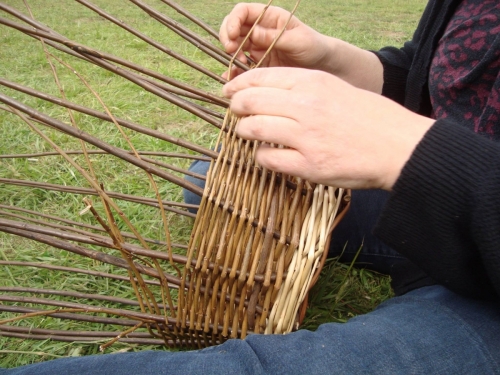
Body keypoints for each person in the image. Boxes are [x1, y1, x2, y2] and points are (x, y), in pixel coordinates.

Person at [3, 0, 500, 373]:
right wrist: (328, 59)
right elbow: (428, 73)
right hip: (440, 208)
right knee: (207, 182)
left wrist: (406, 148)